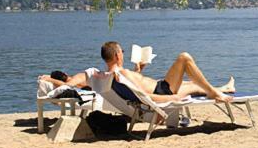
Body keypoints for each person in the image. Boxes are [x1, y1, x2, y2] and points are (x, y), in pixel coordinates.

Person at [100, 41, 234, 103]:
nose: (123, 55)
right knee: (184, 58)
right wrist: (171, 98)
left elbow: (137, 91)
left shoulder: (115, 75)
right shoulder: (121, 75)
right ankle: (214, 92)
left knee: (191, 84)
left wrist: (139, 70)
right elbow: (145, 96)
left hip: (161, 87)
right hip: (162, 91)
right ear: (117, 55)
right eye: (122, 52)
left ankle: (224, 88)